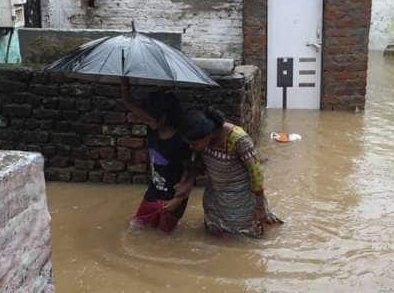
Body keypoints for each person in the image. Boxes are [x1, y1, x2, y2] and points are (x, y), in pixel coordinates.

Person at [178, 107, 282, 238]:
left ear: (208, 134)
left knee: (245, 239)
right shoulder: (202, 138)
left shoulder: (239, 140)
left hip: (241, 200)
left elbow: (256, 173)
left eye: (193, 143)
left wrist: (260, 207)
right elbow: (198, 165)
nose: (191, 147)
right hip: (215, 198)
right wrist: (186, 183)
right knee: (215, 234)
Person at [120, 78, 193, 233]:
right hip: (153, 191)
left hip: (173, 198)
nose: (145, 120)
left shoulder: (180, 141)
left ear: (164, 118)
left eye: (148, 118)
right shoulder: (153, 128)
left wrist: (178, 199)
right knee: (137, 227)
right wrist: (124, 83)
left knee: (163, 237)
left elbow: (190, 171)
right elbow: (130, 104)